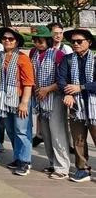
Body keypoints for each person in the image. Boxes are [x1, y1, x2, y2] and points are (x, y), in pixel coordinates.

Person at [29, 26, 69, 179]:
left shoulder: (58, 54)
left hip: (54, 97)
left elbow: (63, 78)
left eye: (41, 41)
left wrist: (47, 89)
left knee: (57, 132)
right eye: (36, 41)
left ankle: (62, 167)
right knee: (45, 133)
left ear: (48, 41)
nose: (38, 44)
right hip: (40, 98)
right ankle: (52, 162)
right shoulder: (33, 53)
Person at [0, 27, 34, 176]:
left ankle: (25, 161)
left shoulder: (22, 58)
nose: (7, 41)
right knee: (10, 129)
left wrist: (24, 103)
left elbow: (28, 82)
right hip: (5, 98)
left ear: (16, 42)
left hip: (19, 98)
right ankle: (18, 157)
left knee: (22, 131)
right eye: (5, 38)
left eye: (11, 39)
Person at [57, 27, 96, 183]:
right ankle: (82, 169)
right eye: (73, 41)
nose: (75, 44)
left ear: (89, 42)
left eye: (79, 41)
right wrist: (67, 93)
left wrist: (81, 87)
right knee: (78, 139)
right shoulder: (67, 59)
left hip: (93, 104)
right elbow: (61, 79)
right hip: (76, 106)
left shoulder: (95, 59)